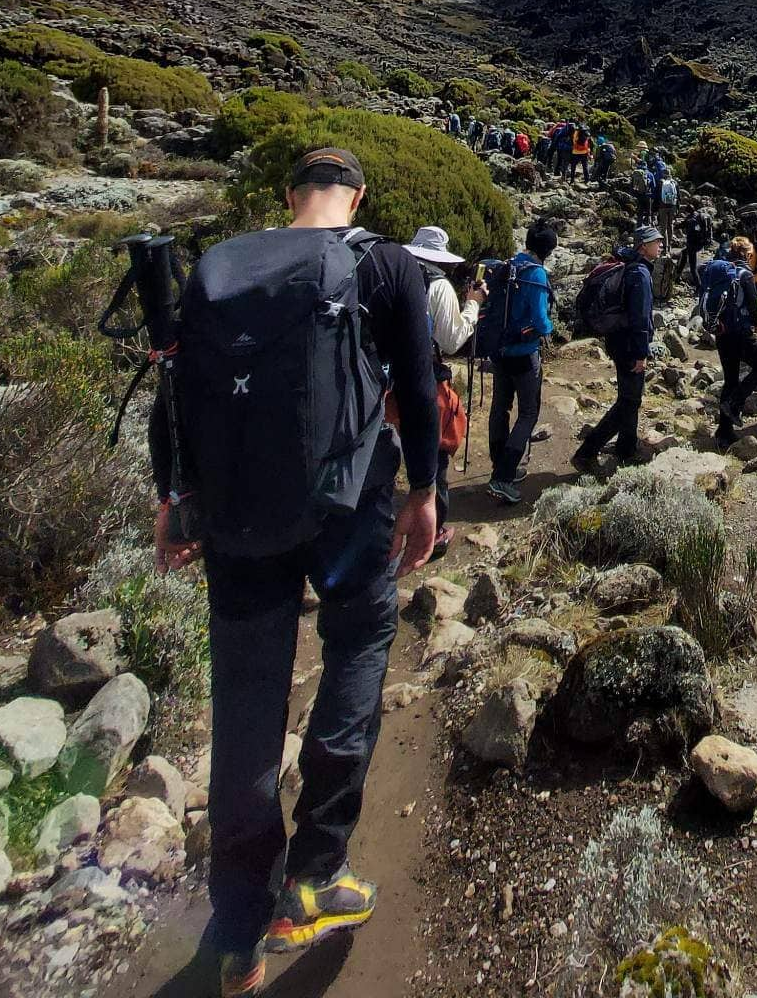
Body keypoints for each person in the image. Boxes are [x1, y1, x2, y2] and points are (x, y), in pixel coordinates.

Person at [153, 146, 437, 998]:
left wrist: (176, 498)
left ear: (289, 197)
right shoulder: (382, 262)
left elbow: (177, 387)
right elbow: (418, 389)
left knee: (246, 699)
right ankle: (316, 871)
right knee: (357, 644)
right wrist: (425, 492)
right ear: (356, 194)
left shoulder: (222, 266)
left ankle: (237, 921)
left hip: (236, 509)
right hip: (348, 501)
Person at [403, 225, 481, 556]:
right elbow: (451, 340)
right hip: (425, 377)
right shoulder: (438, 286)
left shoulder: (394, 275)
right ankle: (432, 534)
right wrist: (473, 305)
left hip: (387, 378)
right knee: (436, 455)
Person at [572, 225, 658, 471]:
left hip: (617, 340)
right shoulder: (640, 273)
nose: (660, 245)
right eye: (656, 241)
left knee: (629, 397)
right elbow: (640, 317)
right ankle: (586, 452)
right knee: (629, 401)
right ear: (643, 246)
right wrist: (642, 352)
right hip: (630, 345)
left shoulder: (630, 267)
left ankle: (626, 447)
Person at [484, 222, 558, 504]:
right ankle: (503, 476)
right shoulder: (536, 274)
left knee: (499, 407)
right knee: (528, 413)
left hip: (498, 350)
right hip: (524, 354)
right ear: (548, 249)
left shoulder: (509, 264)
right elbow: (541, 321)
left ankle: (499, 462)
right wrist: (548, 328)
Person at [702, 237, 757, 447]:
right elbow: (752, 304)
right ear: (748, 254)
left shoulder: (722, 271)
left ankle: (724, 433)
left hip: (722, 333)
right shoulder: (745, 274)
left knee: (730, 379)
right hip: (740, 332)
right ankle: (735, 404)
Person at [681, 201, 715, 286]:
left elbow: (682, 225)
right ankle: (678, 273)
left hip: (693, 244)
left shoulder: (691, 220)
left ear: (688, 212)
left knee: (693, 268)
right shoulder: (699, 216)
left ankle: (698, 286)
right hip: (700, 243)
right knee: (684, 252)